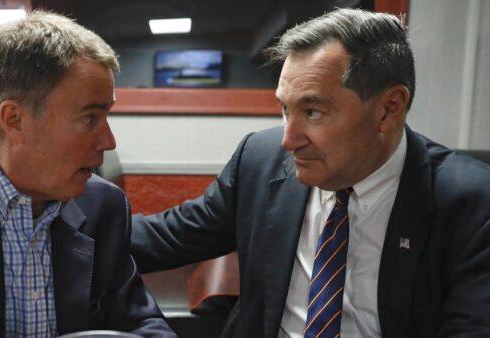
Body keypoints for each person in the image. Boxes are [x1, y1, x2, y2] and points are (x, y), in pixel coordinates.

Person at [131, 8, 490, 338]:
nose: (288, 140)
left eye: (313, 112)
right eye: (285, 109)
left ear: (389, 109)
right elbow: (169, 237)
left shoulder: (471, 205)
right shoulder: (260, 160)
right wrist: (78, 221)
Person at [0, 11, 176, 337]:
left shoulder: (104, 206)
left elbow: (140, 322)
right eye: (89, 119)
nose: (109, 141)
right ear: (15, 120)